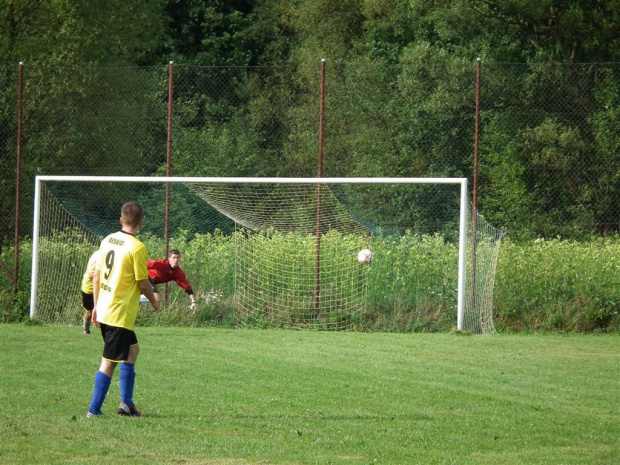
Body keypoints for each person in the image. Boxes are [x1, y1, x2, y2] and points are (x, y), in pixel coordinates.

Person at [86, 201, 159, 418]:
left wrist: (96, 306)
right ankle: (93, 410)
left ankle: (126, 404)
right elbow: (143, 283)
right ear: (141, 223)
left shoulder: (108, 239)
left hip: (106, 308)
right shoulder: (137, 247)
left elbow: (97, 275)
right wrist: (154, 302)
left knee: (132, 351)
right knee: (108, 362)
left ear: (121, 220)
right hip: (119, 314)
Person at [80, 249, 100, 335]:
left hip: (100, 287)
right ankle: (85, 329)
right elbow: (91, 274)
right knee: (89, 312)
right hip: (89, 288)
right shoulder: (97, 256)